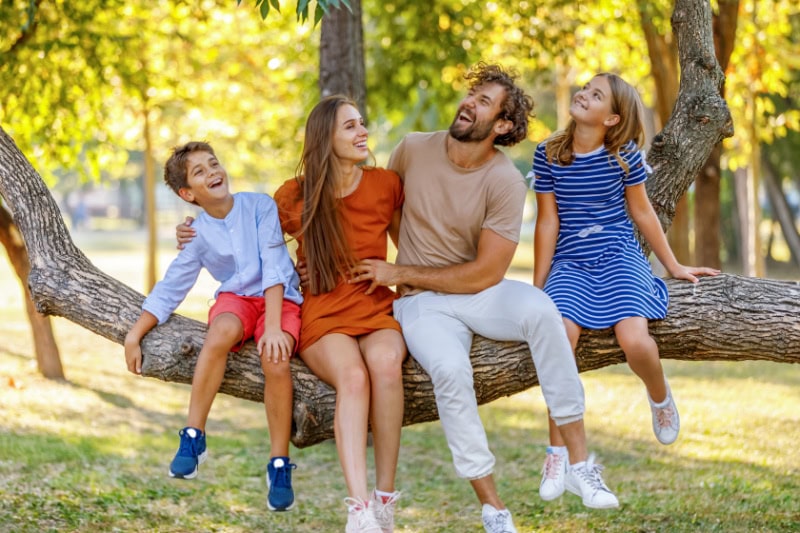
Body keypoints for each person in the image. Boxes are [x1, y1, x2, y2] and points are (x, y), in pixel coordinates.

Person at [349, 62, 618, 533]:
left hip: (478, 291)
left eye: (485, 101)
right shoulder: (412, 149)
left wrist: (403, 268)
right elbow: (383, 211)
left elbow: (487, 273)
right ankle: (494, 507)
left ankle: (578, 463)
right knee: (451, 371)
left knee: (542, 311)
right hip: (420, 303)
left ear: (503, 125)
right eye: (473, 94)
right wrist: (406, 270)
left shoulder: (506, 181)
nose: (469, 103)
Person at [177, 97, 406, 533]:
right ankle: (358, 508)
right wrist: (192, 228)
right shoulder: (293, 195)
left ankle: (384, 499)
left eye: (362, 124)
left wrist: (400, 273)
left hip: (376, 304)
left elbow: (407, 245)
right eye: (350, 127)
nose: (363, 134)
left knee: (386, 366)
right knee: (353, 379)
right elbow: (241, 225)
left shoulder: (387, 184)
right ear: (325, 138)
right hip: (323, 309)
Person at [528, 73, 720, 502]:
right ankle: (556, 452)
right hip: (571, 263)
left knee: (635, 340)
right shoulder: (548, 155)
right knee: (560, 341)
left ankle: (659, 395)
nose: (583, 95)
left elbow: (644, 213)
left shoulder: (624, 157)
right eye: (586, 88)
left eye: (596, 96)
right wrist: (538, 289)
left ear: (612, 118)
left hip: (618, 257)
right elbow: (547, 221)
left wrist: (672, 264)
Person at [124, 141, 304, 513]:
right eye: (200, 172)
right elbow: (173, 284)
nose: (213, 173)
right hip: (236, 299)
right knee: (219, 333)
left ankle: (279, 464)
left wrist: (272, 327)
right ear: (188, 193)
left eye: (214, 163)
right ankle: (194, 436)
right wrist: (134, 332)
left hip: (280, 299)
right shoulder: (197, 234)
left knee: (276, 360)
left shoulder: (259, 206)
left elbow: (273, 265)